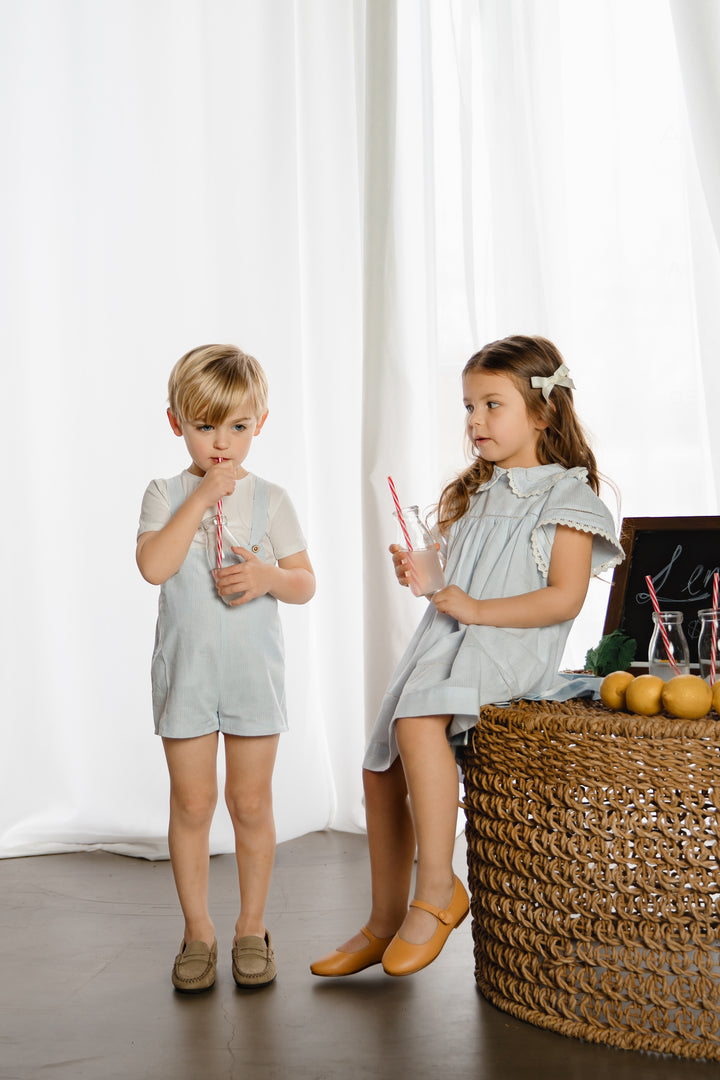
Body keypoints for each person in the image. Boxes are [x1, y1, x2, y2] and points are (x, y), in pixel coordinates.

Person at [310, 334, 623, 979]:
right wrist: (425, 575)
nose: (474, 421)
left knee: (416, 721)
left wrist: (476, 610)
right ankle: (383, 918)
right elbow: (461, 576)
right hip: (450, 641)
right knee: (379, 767)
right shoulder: (478, 493)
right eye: (467, 407)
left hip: (509, 648)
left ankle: (438, 889)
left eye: (491, 404)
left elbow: (562, 599)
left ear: (542, 412)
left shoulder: (568, 500)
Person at [137, 344, 315, 993]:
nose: (222, 442)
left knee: (248, 801)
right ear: (176, 422)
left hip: (251, 676)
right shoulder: (164, 493)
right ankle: (197, 930)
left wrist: (268, 575)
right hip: (186, 673)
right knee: (191, 802)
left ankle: (250, 926)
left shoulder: (271, 499)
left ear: (259, 424)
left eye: (237, 427)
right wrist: (202, 496)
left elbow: (305, 583)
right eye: (205, 426)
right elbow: (154, 567)